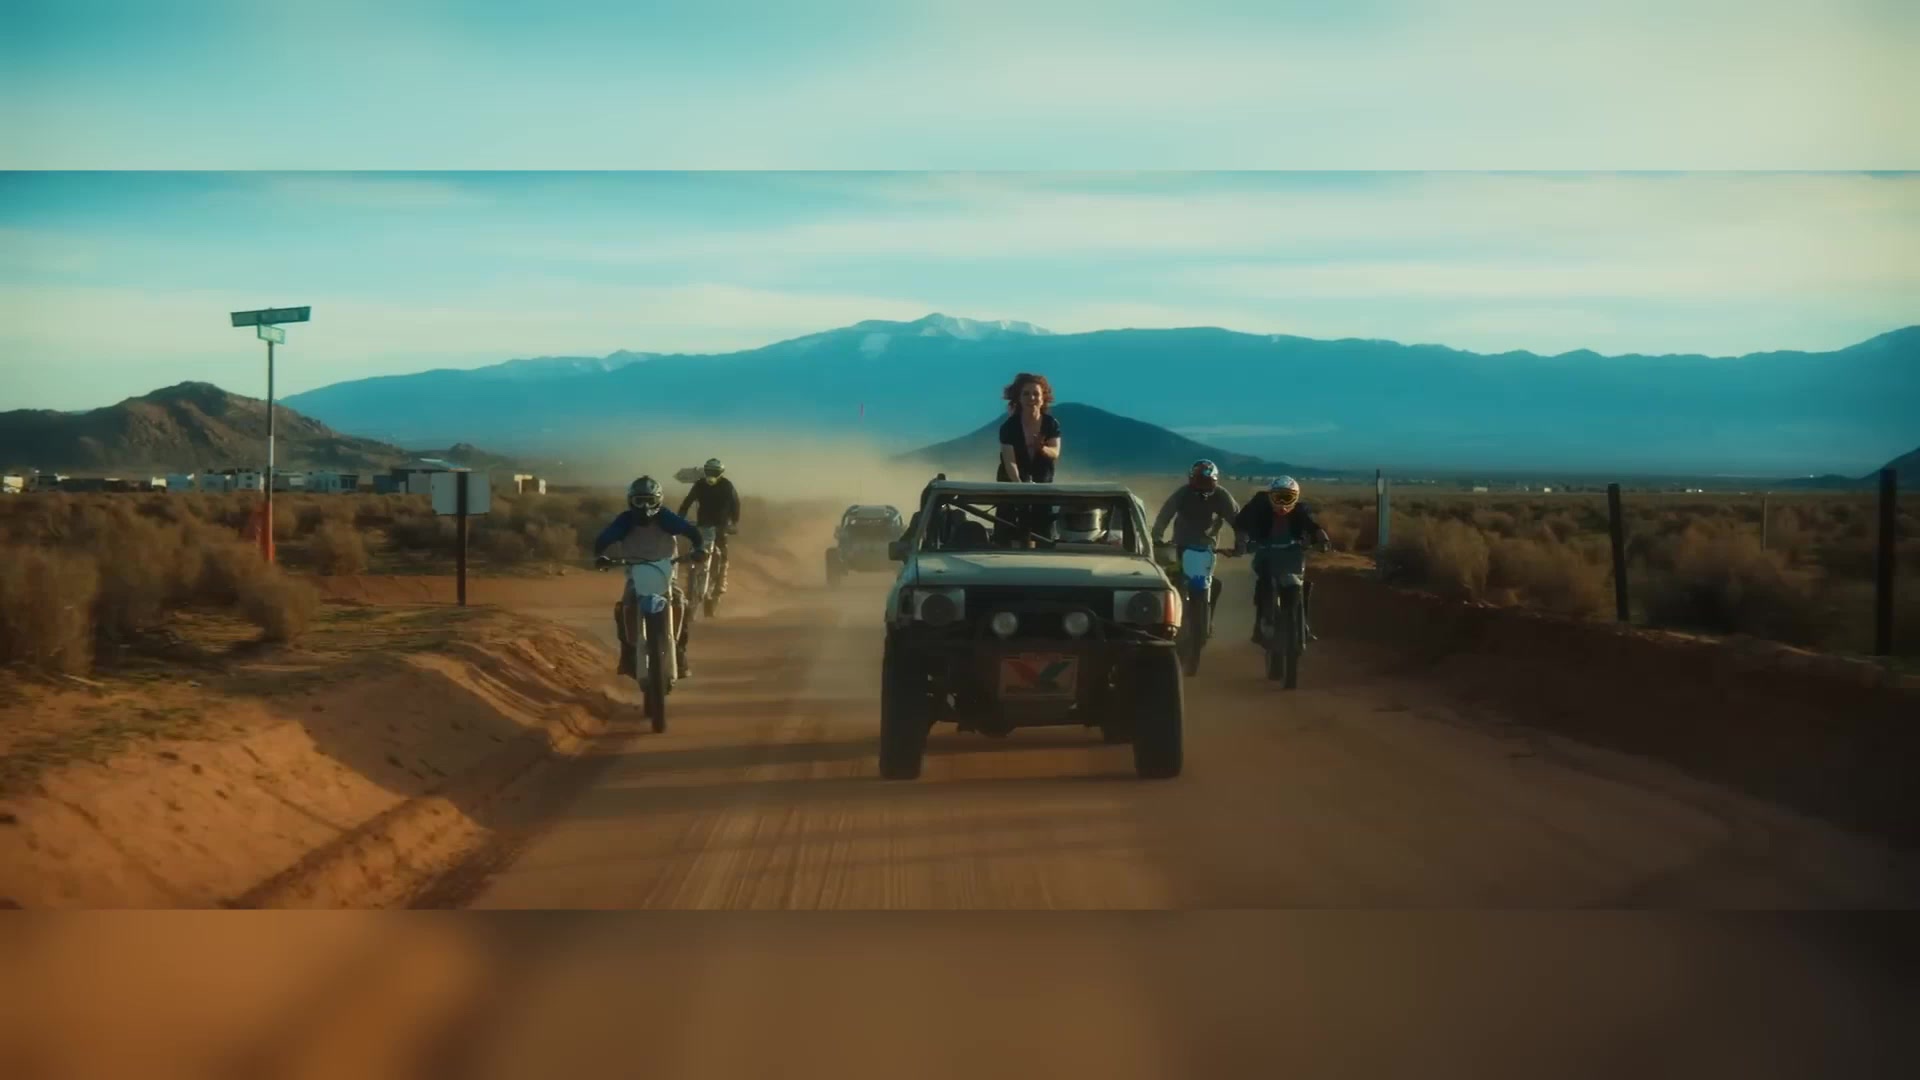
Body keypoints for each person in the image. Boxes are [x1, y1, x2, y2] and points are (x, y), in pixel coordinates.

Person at [594, 476, 707, 679]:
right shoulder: (625, 520)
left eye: (650, 501)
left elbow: (691, 532)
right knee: (625, 606)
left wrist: (699, 548)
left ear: (658, 500)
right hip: (636, 575)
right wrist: (600, 555)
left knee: (680, 603)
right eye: (640, 501)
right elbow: (604, 538)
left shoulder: (666, 518)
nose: (645, 507)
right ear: (631, 501)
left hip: (666, 573)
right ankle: (628, 653)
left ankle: (679, 652)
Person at [1232, 476, 1331, 646]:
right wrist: (1242, 541)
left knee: (1300, 585)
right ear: (1270, 496)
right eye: (1278, 498)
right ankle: (1261, 623)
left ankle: (1303, 625)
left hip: (1292, 555)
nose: (1283, 504)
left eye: (1288, 498)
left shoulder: (1300, 511)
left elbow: (1312, 526)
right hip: (1265, 553)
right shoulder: (1259, 506)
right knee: (1265, 581)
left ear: (1296, 498)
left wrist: (1323, 540)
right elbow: (1241, 523)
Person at [1151, 460, 1242, 617]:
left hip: (1207, 548)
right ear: (1191, 480)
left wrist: (1241, 544)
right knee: (1174, 579)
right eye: (1199, 482)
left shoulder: (1222, 496)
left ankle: (1208, 618)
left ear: (1214, 481)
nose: (1202, 488)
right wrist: (1156, 537)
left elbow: (1238, 522)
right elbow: (1165, 514)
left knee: (1212, 583)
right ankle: (1170, 615)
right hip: (1181, 545)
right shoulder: (1183, 493)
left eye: (1206, 483)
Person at [677, 457, 741, 595]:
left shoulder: (727, 486)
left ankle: (722, 580)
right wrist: (680, 516)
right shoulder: (700, 484)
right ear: (705, 471)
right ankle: (691, 578)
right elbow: (688, 501)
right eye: (709, 471)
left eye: (715, 472)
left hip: (721, 525)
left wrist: (734, 523)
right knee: (694, 548)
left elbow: (735, 504)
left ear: (721, 473)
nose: (711, 474)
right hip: (703, 524)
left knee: (722, 551)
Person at [996, 372, 1061, 483]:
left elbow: (1055, 452)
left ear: (1043, 398)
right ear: (1019, 398)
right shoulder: (1009, 427)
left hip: (1042, 483)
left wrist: (1042, 448)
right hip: (1011, 484)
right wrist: (1020, 486)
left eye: (1036, 394)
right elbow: (1010, 462)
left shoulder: (1050, 424)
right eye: (1026, 394)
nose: (1031, 398)